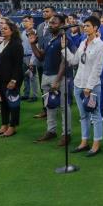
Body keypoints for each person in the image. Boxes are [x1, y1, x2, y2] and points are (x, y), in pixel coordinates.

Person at [30, 14, 74, 147]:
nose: (51, 25)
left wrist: (57, 80)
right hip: (46, 75)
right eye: (50, 23)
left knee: (63, 107)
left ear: (62, 25)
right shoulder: (49, 37)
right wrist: (32, 44)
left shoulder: (65, 39)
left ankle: (66, 134)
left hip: (59, 77)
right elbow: (41, 57)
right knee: (49, 105)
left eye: (54, 23)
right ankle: (51, 130)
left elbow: (65, 61)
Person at [68, 16, 103, 156]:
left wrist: (89, 87)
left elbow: (97, 69)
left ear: (95, 28)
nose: (85, 28)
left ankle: (96, 144)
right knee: (83, 115)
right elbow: (74, 61)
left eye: (88, 26)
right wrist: (64, 49)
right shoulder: (83, 42)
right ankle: (84, 142)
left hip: (91, 87)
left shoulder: (101, 45)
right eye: (84, 26)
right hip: (78, 84)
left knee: (95, 116)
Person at [0, 18, 24, 138]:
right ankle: (4, 125)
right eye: (2, 28)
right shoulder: (1, 43)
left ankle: (12, 127)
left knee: (13, 103)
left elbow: (18, 65)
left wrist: (14, 80)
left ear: (12, 31)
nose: (3, 30)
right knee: (2, 102)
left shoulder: (16, 44)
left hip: (9, 79)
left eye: (5, 28)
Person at [20, 15, 40, 102]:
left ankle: (34, 95)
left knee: (33, 77)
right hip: (23, 56)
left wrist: (32, 60)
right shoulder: (23, 33)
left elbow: (36, 47)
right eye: (23, 21)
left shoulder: (35, 32)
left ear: (31, 21)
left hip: (31, 57)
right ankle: (26, 94)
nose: (24, 23)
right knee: (25, 76)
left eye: (26, 21)